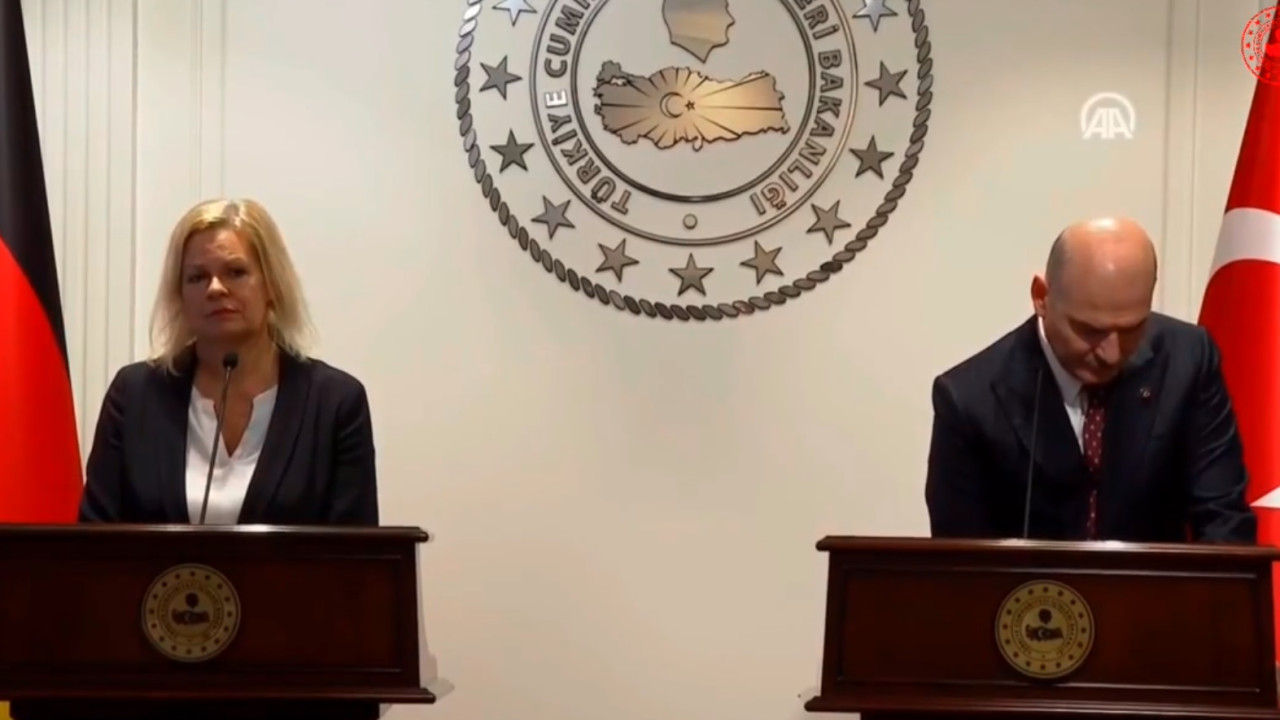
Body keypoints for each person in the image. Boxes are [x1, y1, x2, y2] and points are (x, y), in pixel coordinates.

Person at [924, 217, 1255, 543]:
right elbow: (963, 563)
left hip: (1157, 581)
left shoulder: (1188, 360)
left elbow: (1224, 520)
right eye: (1091, 331)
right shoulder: (969, 400)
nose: (1111, 353)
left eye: (1131, 329)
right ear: (1041, 297)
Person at [79, 197, 378, 526]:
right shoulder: (134, 395)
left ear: (272, 284)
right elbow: (95, 539)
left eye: (235, 272)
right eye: (197, 277)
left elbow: (356, 551)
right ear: (180, 295)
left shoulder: (335, 403)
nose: (215, 289)